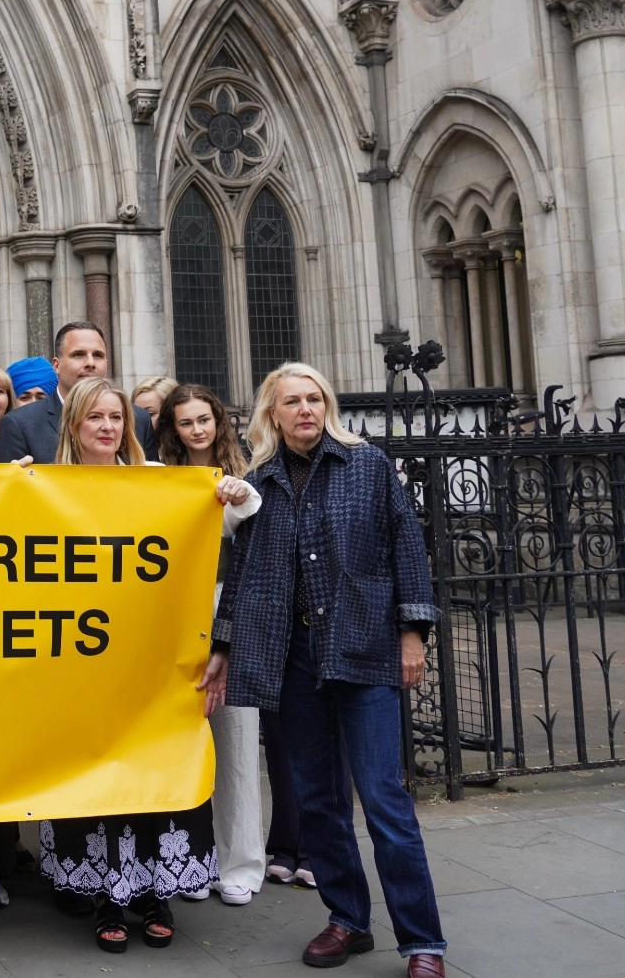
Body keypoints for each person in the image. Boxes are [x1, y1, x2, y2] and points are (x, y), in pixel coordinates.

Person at [202, 363, 447, 978]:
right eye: (292, 401)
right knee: (318, 801)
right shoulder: (260, 481)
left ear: (327, 406)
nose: (306, 409)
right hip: (293, 657)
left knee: (384, 800)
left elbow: (406, 546)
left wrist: (412, 633)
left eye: (314, 398)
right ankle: (348, 919)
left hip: (365, 648)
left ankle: (423, 943)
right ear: (273, 413)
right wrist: (224, 645)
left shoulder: (366, 466)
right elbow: (246, 572)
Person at [37, 378, 212, 953]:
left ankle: (154, 894)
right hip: (79, 661)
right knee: (96, 774)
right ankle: (107, 897)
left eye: (116, 417)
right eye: (95, 418)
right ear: (74, 425)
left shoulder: (157, 481)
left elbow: (219, 524)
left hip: (149, 659)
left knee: (151, 771)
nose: (108, 427)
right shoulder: (45, 487)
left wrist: (230, 494)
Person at [156, 385, 264, 907]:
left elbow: (254, 522)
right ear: (172, 429)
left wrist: (239, 497)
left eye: (204, 419)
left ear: (218, 421)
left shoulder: (248, 472)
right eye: (186, 422)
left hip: (231, 606)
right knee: (179, 742)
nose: (197, 430)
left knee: (236, 740)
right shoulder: (160, 475)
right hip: (175, 614)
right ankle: (190, 861)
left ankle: (240, 863)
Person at [0, 323, 156, 465]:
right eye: (79, 355)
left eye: (98, 355)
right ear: (56, 365)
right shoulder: (19, 424)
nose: (90, 363)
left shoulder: (139, 419)